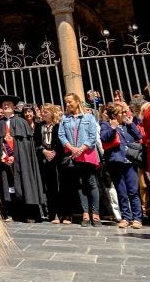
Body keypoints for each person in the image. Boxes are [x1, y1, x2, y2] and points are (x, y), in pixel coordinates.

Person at [0, 94, 46, 222]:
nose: (6, 106)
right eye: (4, 105)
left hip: (21, 161)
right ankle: (9, 212)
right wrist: (3, 156)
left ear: (14, 107)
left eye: (9, 104)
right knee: (6, 185)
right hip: (4, 161)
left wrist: (16, 156)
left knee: (24, 183)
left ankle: (28, 213)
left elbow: (26, 145)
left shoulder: (22, 122)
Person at [59, 92, 101, 226]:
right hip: (73, 155)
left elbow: (92, 136)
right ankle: (85, 213)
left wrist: (81, 149)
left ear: (77, 101)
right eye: (66, 102)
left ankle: (95, 213)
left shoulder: (89, 117)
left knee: (91, 183)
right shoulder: (65, 118)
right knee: (80, 184)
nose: (68, 104)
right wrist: (72, 148)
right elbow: (61, 135)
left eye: (70, 101)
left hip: (87, 154)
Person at [100, 102, 143, 229]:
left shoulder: (127, 125)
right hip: (116, 162)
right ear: (114, 115)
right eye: (122, 113)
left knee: (133, 191)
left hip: (129, 161)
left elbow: (139, 136)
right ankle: (126, 217)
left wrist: (131, 125)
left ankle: (137, 218)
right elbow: (104, 138)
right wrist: (113, 128)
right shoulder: (105, 125)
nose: (125, 114)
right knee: (121, 191)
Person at [34, 103, 68, 224]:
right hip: (45, 159)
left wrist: (54, 152)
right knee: (50, 188)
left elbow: (62, 140)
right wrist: (43, 151)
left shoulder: (58, 126)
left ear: (52, 113)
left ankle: (65, 214)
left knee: (61, 187)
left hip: (57, 159)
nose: (43, 114)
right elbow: (36, 141)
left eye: (46, 111)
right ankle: (53, 214)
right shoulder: (39, 126)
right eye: (43, 111)